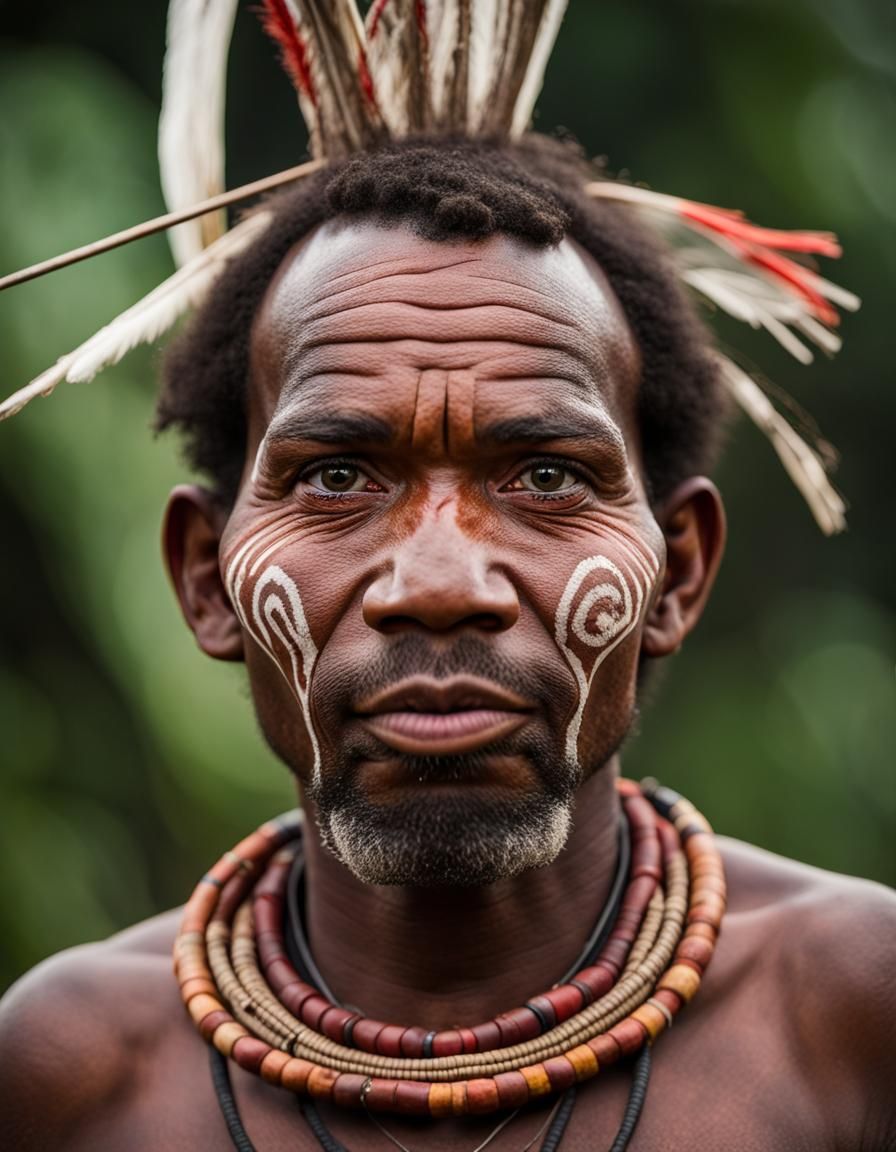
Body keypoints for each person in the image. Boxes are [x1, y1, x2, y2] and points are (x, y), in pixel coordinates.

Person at [1, 5, 894, 1151]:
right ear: (207, 579)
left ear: (676, 572)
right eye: (332, 477)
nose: (437, 581)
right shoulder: (75, 1079)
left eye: (542, 474)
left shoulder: (849, 1020)